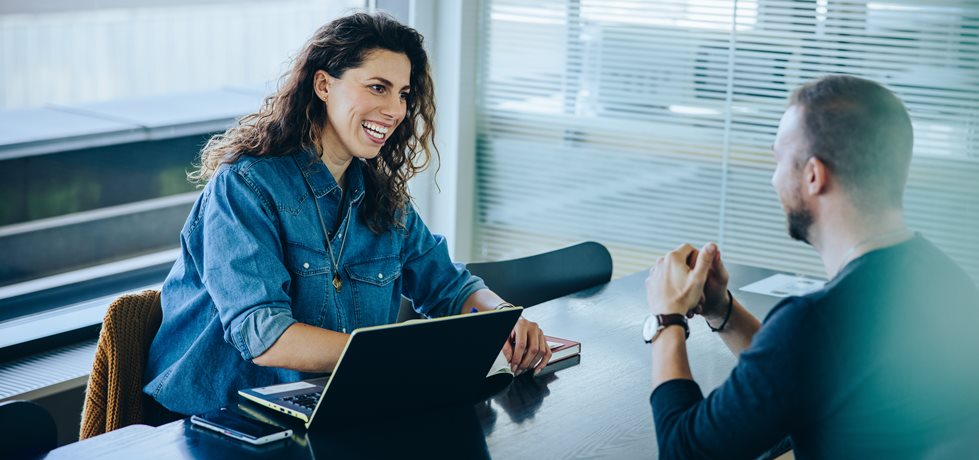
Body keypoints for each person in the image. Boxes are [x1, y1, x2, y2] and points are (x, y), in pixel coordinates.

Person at [144, 12, 551, 418]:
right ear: (324, 84)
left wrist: (503, 320)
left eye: (404, 95)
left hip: (331, 403)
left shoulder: (383, 197)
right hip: (213, 418)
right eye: (378, 88)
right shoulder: (246, 186)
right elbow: (264, 335)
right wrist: (392, 358)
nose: (395, 111)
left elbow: (449, 286)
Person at [643, 75, 979, 459]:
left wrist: (666, 319)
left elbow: (682, 451)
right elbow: (805, 370)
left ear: (813, 175)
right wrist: (722, 309)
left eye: (777, 160)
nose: (773, 179)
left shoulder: (816, 321)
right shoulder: (948, 280)